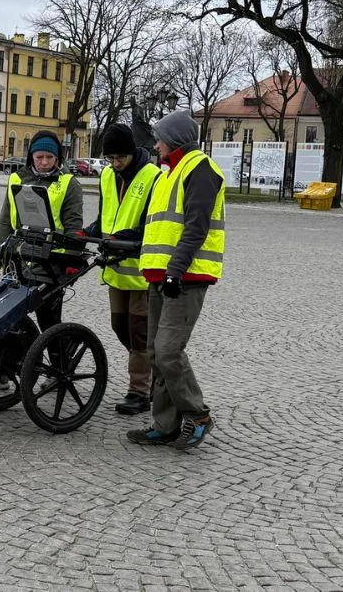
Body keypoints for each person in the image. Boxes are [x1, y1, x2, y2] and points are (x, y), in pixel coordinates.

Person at [126, 110, 225, 450]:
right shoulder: (168, 173)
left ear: (176, 140)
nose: (155, 145)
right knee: (155, 353)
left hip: (185, 277)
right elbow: (157, 226)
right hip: (160, 276)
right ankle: (165, 424)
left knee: (169, 352)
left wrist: (175, 271)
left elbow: (196, 228)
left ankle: (197, 414)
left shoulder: (200, 169)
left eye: (160, 139)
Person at [84, 124, 163, 416]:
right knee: (121, 327)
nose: (115, 164)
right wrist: (89, 232)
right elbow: (107, 216)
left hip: (142, 272)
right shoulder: (107, 175)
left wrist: (128, 237)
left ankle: (139, 392)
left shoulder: (153, 178)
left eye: (120, 158)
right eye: (110, 159)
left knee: (139, 333)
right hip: (116, 268)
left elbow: (152, 225)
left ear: (131, 153)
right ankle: (154, 371)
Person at [0, 130, 84, 328]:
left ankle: (58, 357)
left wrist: (72, 259)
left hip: (51, 260)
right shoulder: (17, 179)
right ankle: (19, 356)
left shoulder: (68, 184)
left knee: (48, 320)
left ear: (57, 157)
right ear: (31, 156)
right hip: (18, 257)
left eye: (50, 157)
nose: (44, 162)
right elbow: (5, 221)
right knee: (9, 318)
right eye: (39, 157)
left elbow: (74, 226)